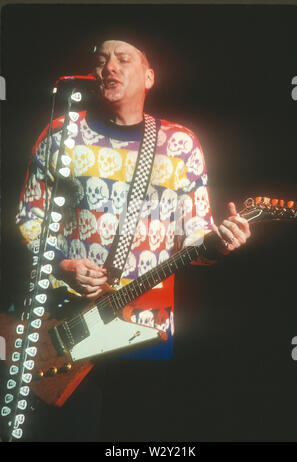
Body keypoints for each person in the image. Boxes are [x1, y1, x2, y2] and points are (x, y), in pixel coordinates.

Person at [15, 38, 251, 441]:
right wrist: (60, 265)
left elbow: (195, 233)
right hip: (67, 323)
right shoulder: (61, 134)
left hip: (145, 326)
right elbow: (28, 219)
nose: (110, 67)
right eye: (102, 60)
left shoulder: (180, 144)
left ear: (149, 76)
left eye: (123, 59)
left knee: (138, 435)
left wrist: (221, 242)